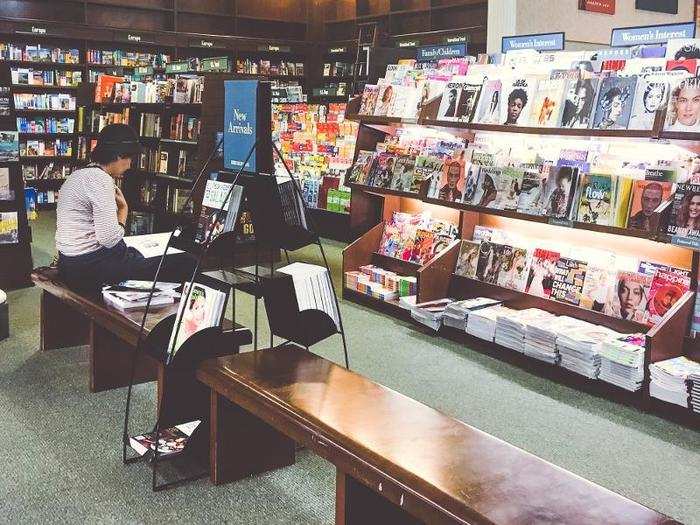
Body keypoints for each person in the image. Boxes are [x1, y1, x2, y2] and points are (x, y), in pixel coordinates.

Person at [56, 124, 196, 291]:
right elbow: (109, 239)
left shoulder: (77, 175)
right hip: (89, 267)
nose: (130, 165)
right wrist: (123, 210)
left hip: (67, 262)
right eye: (129, 159)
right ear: (118, 155)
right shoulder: (100, 180)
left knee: (137, 254)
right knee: (187, 262)